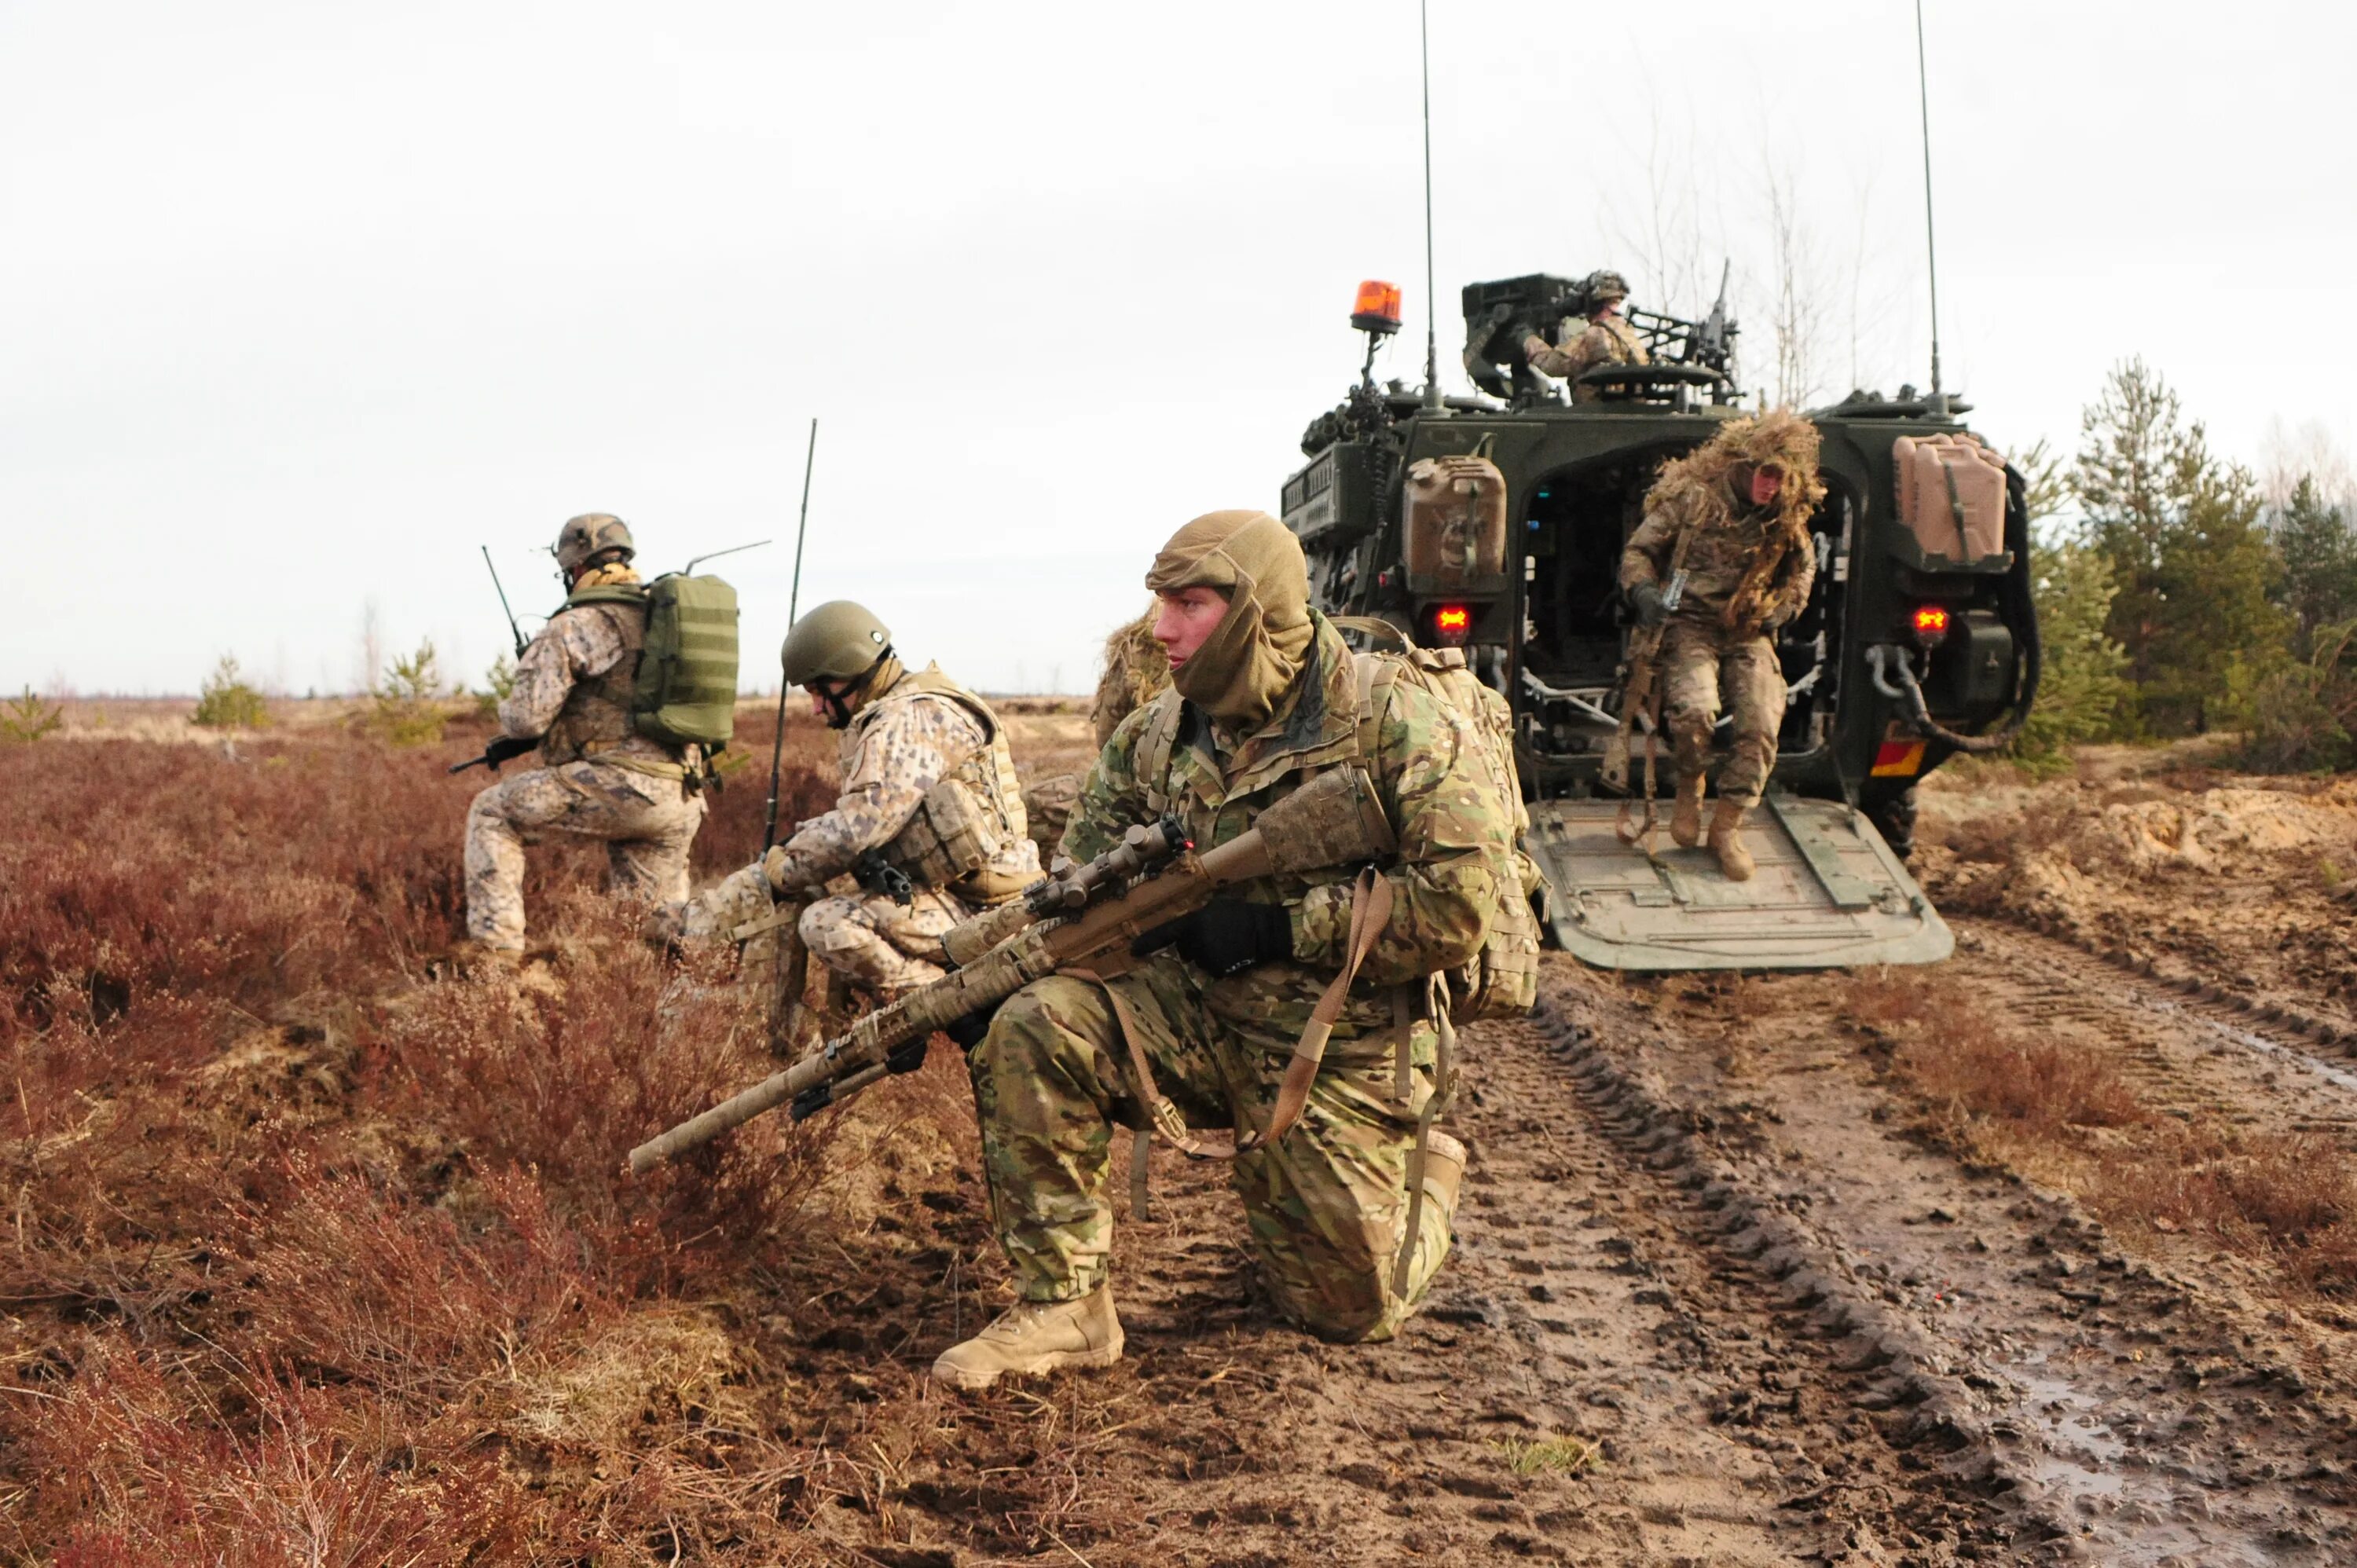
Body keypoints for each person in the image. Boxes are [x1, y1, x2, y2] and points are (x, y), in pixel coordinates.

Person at [931, 509, 1514, 1391]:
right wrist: (1000, 982)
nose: (1161, 628)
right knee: (1034, 1023)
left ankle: (1426, 1176)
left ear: (1256, 608)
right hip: (1198, 1017)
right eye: (1160, 601)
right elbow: (1081, 888)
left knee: (1348, 1314)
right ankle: (1067, 1305)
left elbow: (1458, 906)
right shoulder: (1156, 734)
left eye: (1190, 603)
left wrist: (1278, 929)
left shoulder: (1393, 716)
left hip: (1338, 1042)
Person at [755, 600, 1039, 1001]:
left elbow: (855, 831)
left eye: (821, 691)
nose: (817, 707)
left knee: (826, 922)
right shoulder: (910, 705)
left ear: (852, 671)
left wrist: (782, 872)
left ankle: (956, 1003)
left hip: (993, 913)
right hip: (974, 899)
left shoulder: (907, 719)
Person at [462, 513, 706, 957]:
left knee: (491, 812)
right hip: (681, 792)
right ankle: (684, 1002)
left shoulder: (576, 625)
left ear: (575, 568)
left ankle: (495, 964)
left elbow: (526, 721)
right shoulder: (663, 615)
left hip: (622, 788)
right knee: (654, 926)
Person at [1618, 411, 1825, 880]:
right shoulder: (1696, 500)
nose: (1771, 486)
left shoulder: (1785, 513)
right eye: (1766, 475)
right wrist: (1644, 591)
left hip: (1748, 629)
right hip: (1689, 623)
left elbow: (1803, 568)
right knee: (1694, 711)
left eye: (1780, 477)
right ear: (1745, 466)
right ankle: (1691, 783)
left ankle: (1727, 827)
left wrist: (1787, 608)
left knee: (1761, 725)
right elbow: (1639, 551)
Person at [1523, 269, 1649, 401]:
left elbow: (1554, 365)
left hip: (1599, 412)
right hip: (1623, 410)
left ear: (1593, 302)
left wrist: (1528, 340)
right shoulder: (1629, 334)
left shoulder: (1595, 334)